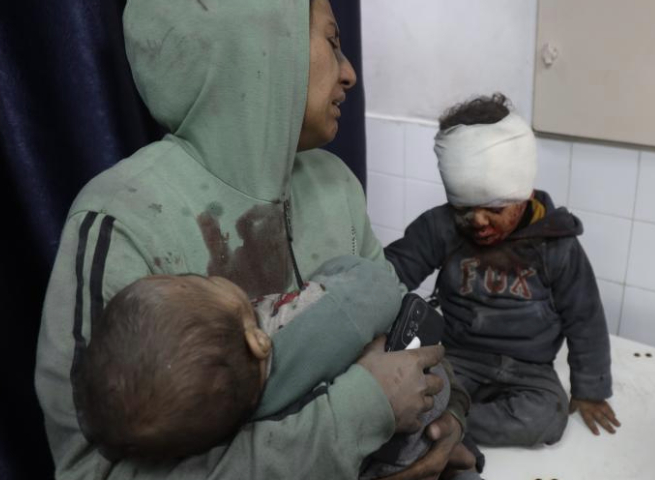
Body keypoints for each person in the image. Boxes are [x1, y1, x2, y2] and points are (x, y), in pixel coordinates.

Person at [35, 0, 473, 478]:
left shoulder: (334, 182)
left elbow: (400, 326)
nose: (349, 74)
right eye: (331, 41)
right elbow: (93, 472)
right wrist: (359, 413)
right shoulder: (122, 217)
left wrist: (446, 413)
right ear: (261, 40)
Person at [384, 93, 621, 448]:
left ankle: (452, 422)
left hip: (530, 370)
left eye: (494, 209)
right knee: (407, 392)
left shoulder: (557, 244)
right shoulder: (442, 228)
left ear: (522, 196)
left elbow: (585, 319)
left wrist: (591, 389)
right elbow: (390, 274)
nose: (478, 221)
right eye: (465, 208)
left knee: (548, 418)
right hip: (457, 357)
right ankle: (449, 417)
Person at [78, 255, 452, 479]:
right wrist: (325, 280)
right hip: (412, 422)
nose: (200, 276)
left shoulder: (221, 418)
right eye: (199, 283)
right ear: (258, 341)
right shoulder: (297, 336)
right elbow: (378, 286)